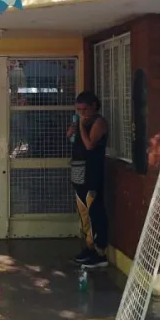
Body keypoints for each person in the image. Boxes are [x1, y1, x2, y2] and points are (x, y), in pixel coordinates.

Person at [67, 91, 109, 269]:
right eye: (78, 110)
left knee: (94, 209)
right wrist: (72, 130)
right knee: (83, 211)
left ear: (93, 106)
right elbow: (73, 141)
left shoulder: (98, 122)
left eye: (84, 109)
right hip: (78, 170)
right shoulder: (81, 122)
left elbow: (90, 144)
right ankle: (89, 246)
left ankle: (100, 251)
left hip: (92, 171)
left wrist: (82, 126)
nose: (82, 113)